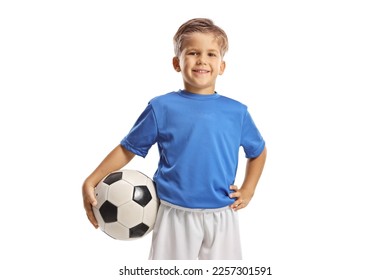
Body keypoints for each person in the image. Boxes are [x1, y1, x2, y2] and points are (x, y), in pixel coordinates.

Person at [82, 18, 267, 260]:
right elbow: (128, 148)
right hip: (174, 214)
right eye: (192, 52)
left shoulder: (237, 112)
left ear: (222, 66)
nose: (202, 60)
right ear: (176, 63)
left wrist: (249, 189)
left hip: (222, 214)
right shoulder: (162, 107)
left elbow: (258, 151)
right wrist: (91, 179)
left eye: (211, 54)